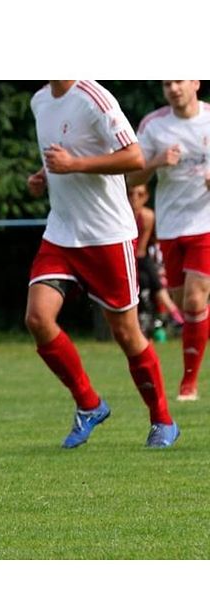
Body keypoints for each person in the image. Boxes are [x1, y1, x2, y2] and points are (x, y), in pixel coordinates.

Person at [25, 80, 180, 449]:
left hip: (107, 235)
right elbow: (60, 156)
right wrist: (44, 177)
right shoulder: (39, 101)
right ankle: (89, 404)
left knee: (126, 333)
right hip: (62, 232)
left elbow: (135, 157)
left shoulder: (94, 97)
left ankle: (162, 420)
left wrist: (73, 164)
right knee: (37, 319)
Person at [127, 81, 210, 401]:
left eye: (179, 80)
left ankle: (189, 382)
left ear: (196, 82)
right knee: (182, 301)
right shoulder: (153, 125)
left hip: (205, 224)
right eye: (167, 83)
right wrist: (157, 162)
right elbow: (132, 177)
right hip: (171, 227)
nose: (173, 88)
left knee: (193, 301)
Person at [127, 182, 184, 337]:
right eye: (131, 194)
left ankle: (169, 314)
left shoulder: (147, 216)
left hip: (139, 257)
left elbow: (140, 250)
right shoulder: (121, 216)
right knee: (147, 279)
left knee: (147, 278)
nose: (134, 199)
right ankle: (173, 312)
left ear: (146, 197)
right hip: (125, 258)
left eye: (139, 195)